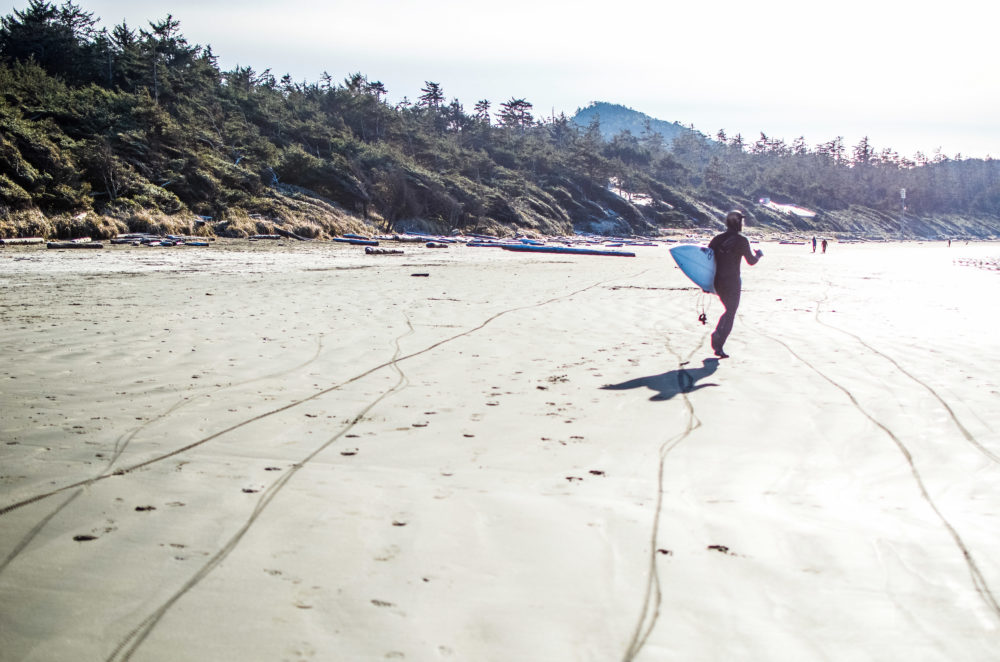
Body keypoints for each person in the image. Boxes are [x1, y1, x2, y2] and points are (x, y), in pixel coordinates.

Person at [709, 210, 763, 358]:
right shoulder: (741, 240)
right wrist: (758, 255)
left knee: (728, 310)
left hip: (718, 281)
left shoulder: (717, 239)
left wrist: (705, 283)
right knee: (731, 312)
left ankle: (717, 335)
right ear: (739, 223)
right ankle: (718, 344)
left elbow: (706, 260)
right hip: (732, 281)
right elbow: (751, 261)